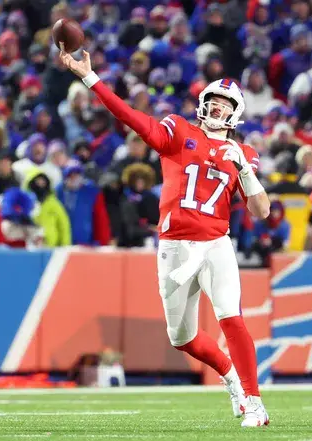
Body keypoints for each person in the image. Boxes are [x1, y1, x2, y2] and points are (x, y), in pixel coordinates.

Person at [59, 44, 271, 427]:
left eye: (226, 104)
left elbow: (261, 211)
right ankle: (230, 377)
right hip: (174, 245)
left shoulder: (243, 152)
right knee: (182, 337)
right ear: (204, 102)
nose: (218, 107)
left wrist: (245, 171)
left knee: (230, 316)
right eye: (214, 100)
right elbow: (134, 119)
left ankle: (255, 402)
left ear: (236, 113)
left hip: (215, 243)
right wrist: (91, 79)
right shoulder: (178, 130)